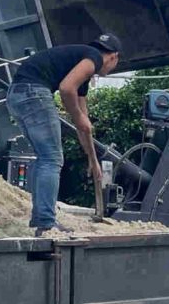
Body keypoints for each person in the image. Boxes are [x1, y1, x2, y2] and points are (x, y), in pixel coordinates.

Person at [7, 34, 121, 235]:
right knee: (51, 159)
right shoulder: (93, 57)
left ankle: (42, 219)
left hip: (17, 95)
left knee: (45, 158)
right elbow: (66, 88)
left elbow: (84, 127)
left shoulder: (81, 68)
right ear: (114, 57)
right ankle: (45, 222)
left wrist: (93, 160)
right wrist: (77, 115)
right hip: (34, 93)